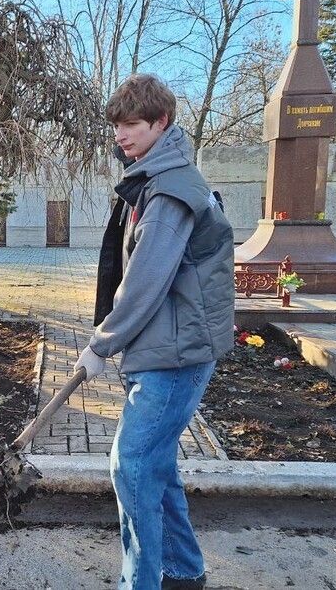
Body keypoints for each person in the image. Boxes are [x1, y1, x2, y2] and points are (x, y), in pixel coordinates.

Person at [75, 74, 235, 590]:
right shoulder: (156, 178)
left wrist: (103, 343)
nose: (121, 135)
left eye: (132, 125)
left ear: (161, 123)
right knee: (156, 467)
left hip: (174, 355)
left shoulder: (169, 191)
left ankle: (141, 582)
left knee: (134, 465)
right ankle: (183, 571)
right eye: (117, 126)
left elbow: (145, 281)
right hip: (165, 346)